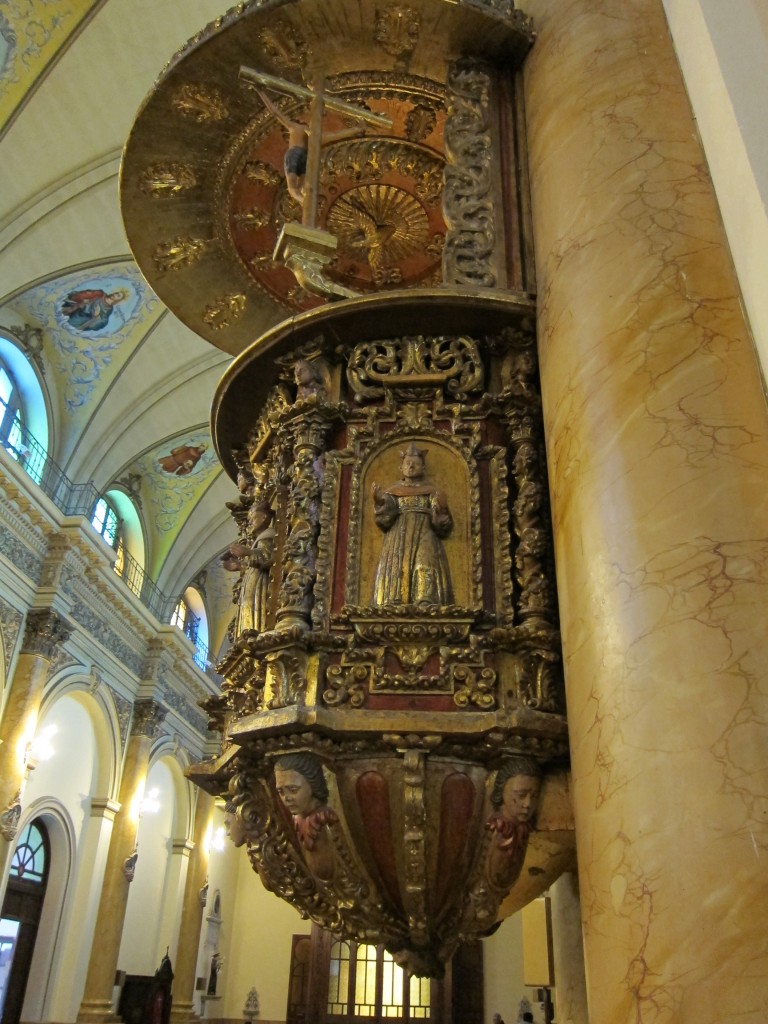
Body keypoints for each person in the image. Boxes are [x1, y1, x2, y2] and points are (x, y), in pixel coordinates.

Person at [371, 442, 453, 606]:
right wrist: (379, 501)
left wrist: (442, 510)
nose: (411, 466)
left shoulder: (432, 491)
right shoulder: (393, 491)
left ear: (423, 468)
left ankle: (425, 599)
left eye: (415, 463)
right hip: (398, 534)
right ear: (401, 468)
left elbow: (443, 524)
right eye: (407, 463)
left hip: (425, 531)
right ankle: (393, 601)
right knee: (397, 564)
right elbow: (385, 517)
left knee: (425, 562)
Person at [255, 87, 366, 204]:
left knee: (293, 189)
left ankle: (305, 202)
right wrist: (357, 129)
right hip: (306, 157)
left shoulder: (295, 127)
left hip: (295, 154)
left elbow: (275, 113)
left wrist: (261, 92)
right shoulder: (315, 136)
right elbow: (337, 135)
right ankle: (305, 202)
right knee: (303, 188)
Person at [61, 288, 129, 332]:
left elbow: (103, 321)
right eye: (117, 293)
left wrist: (96, 316)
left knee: (74, 322)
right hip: (78, 308)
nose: (115, 295)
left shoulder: (109, 309)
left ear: (118, 300)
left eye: (118, 296)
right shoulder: (101, 294)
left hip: (84, 317)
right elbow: (87, 294)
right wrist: (84, 300)